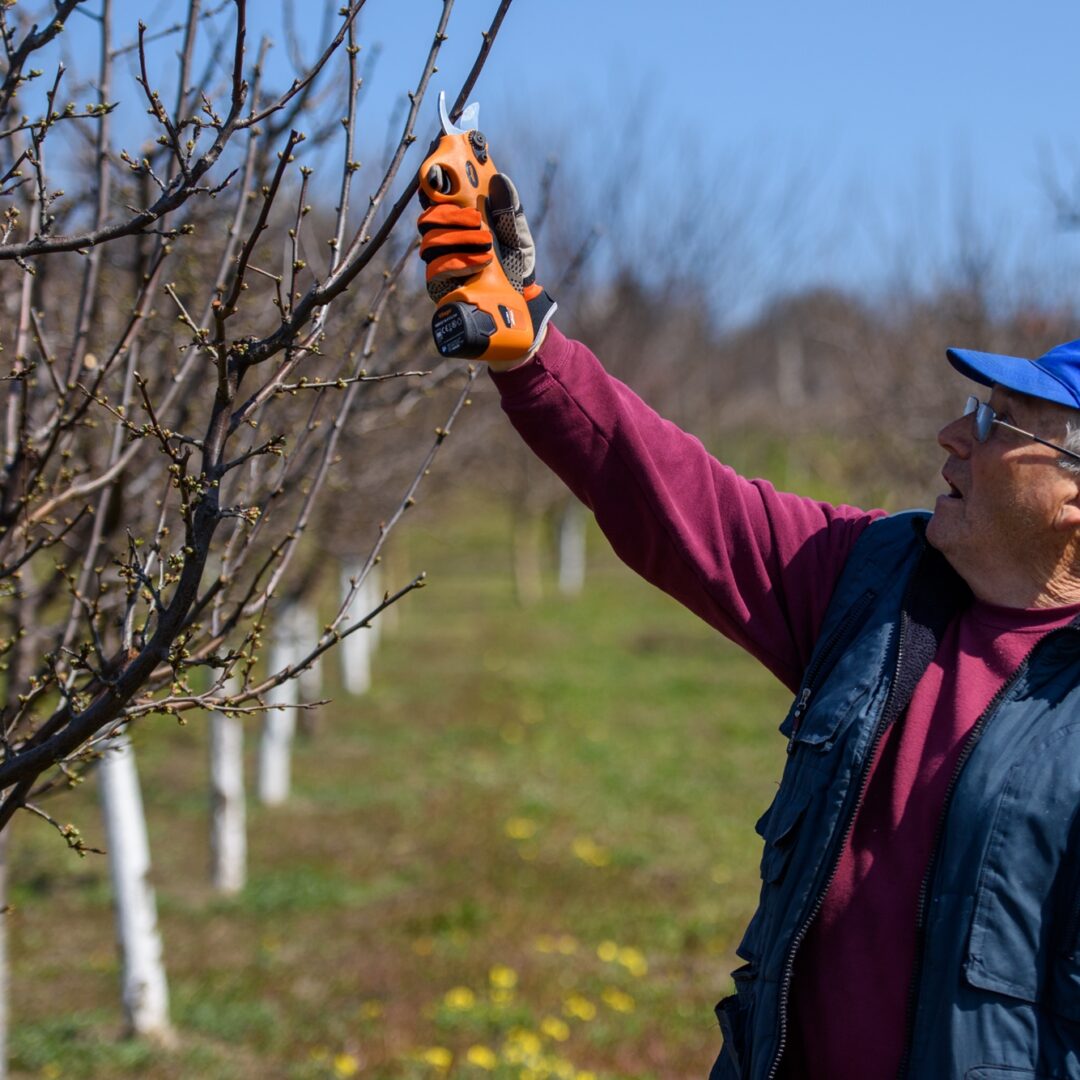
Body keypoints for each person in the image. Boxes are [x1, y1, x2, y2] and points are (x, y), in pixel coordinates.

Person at [418, 176, 1080, 1079]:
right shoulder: (878, 583)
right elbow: (670, 494)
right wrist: (526, 346)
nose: (950, 436)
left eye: (994, 423)